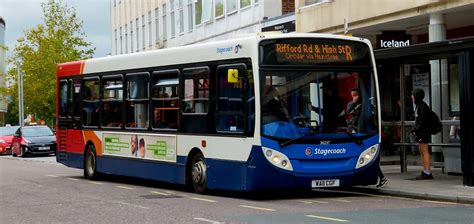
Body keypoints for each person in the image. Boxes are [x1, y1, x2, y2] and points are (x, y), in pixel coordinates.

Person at [410, 88, 433, 180]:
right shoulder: (418, 106)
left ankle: (427, 172)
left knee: (425, 151)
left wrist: (416, 128)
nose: (412, 96)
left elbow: (422, 120)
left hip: (423, 132)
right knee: (422, 152)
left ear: (417, 96)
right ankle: (425, 171)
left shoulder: (422, 106)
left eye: (413, 95)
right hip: (420, 132)